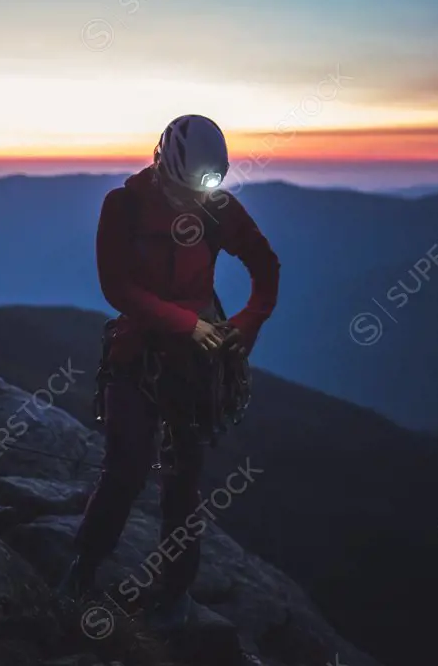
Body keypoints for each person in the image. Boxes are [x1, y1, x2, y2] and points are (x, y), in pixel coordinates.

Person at [58, 114, 280, 628]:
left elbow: (266, 269)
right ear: (163, 166)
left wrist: (244, 326)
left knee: (183, 481)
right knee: (127, 468)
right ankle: (82, 567)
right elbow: (117, 287)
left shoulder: (218, 207)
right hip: (142, 352)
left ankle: (173, 593)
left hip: (196, 361)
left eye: (204, 189)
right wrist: (188, 324)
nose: (196, 202)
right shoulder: (125, 206)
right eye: (187, 190)